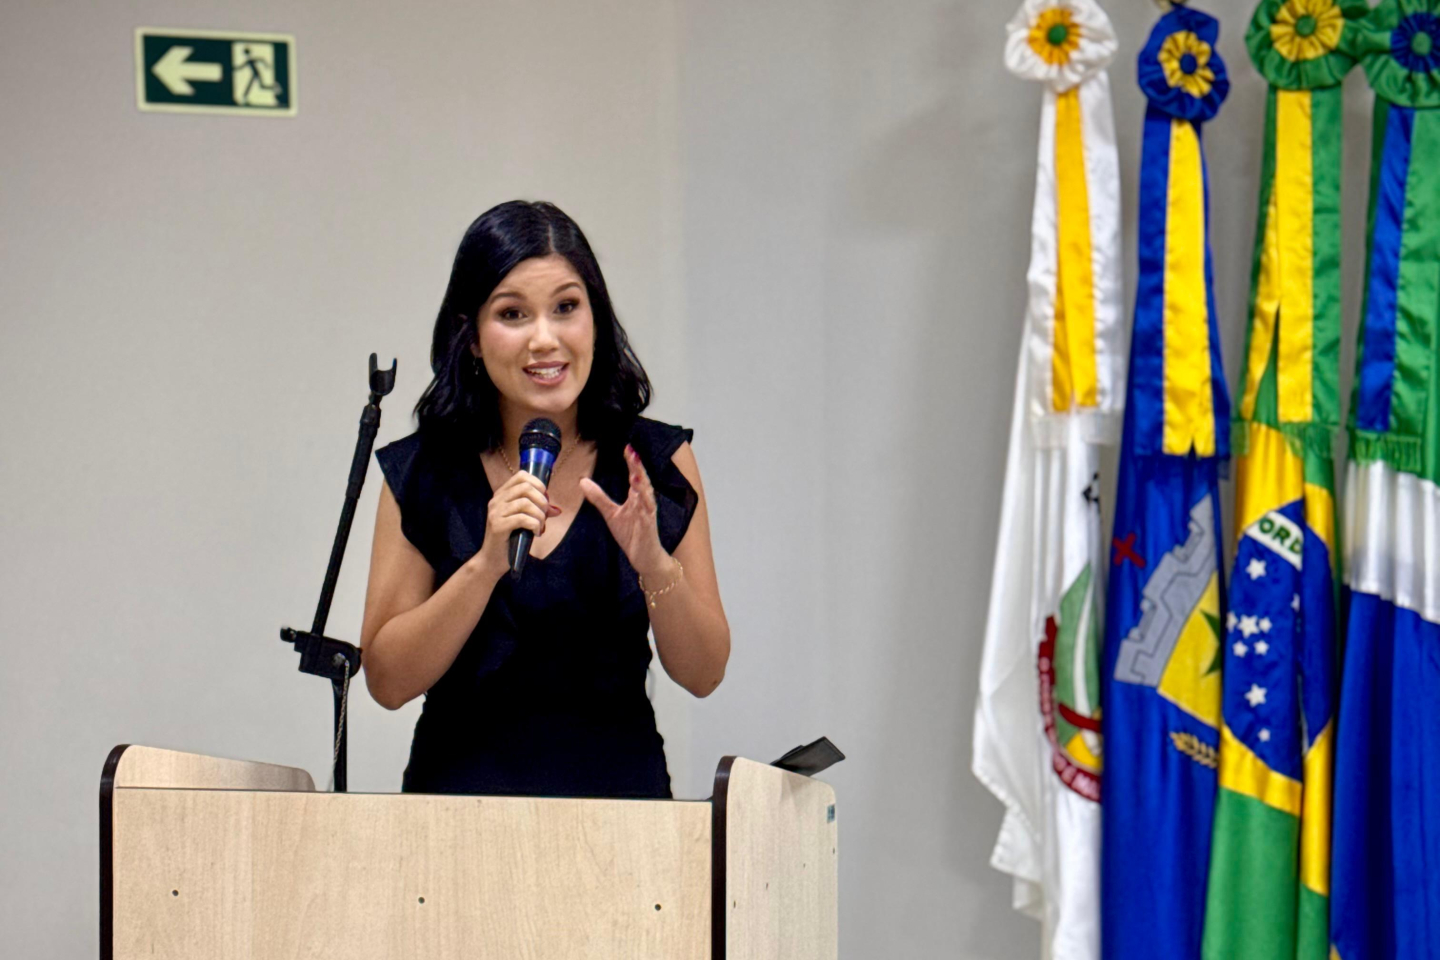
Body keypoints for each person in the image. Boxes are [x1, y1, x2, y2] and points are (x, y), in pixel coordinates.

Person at [359, 201, 730, 799]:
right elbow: (387, 682)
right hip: (455, 821)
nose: (544, 339)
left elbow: (704, 673)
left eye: (566, 307)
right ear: (471, 338)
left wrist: (654, 565)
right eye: (512, 313)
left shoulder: (654, 462)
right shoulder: (427, 471)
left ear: (595, 319)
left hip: (623, 819)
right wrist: (483, 567)